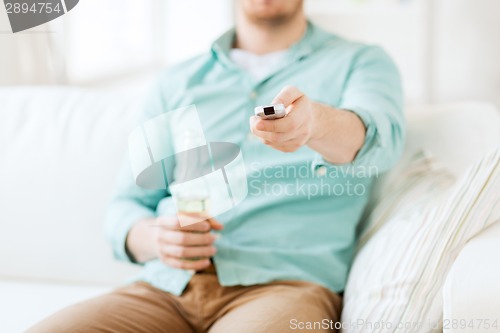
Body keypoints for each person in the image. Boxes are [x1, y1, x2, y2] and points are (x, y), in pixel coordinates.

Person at [28, 0, 404, 332]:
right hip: (166, 287)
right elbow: (124, 207)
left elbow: (380, 142)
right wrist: (156, 237)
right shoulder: (177, 82)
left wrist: (315, 124)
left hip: (285, 287)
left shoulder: (361, 61)